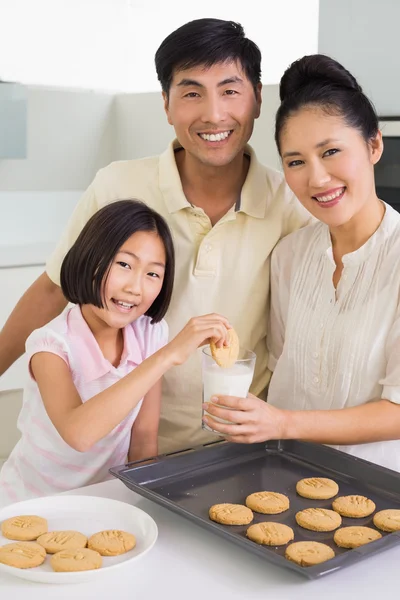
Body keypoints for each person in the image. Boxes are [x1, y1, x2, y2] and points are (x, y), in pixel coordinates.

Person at [0, 18, 309, 454]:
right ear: (166, 104)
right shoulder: (116, 184)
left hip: (237, 444)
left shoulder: (291, 203)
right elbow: (53, 290)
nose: (214, 113)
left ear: (258, 99)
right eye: (191, 92)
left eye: (230, 90)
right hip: (120, 443)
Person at [202, 54, 400, 472]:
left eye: (331, 151)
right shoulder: (289, 255)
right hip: (283, 476)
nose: (317, 179)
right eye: (295, 162)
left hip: (379, 494)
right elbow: (280, 369)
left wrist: (282, 422)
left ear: (374, 145)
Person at [0, 200, 231, 503]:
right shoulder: (51, 344)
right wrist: (167, 356)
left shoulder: (150, 334)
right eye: (124, 265)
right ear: (89, 258)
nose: (135, 287)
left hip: (105, 502)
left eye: (153, 274)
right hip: (33, 502)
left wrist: (147, 507)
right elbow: (78, 434)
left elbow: (144, 437)